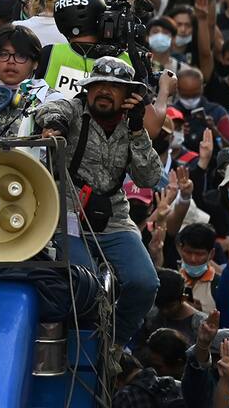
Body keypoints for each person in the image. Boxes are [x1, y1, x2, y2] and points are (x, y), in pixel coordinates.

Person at [35, 56, 162, 347]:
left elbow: (149, 178)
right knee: (86, 284)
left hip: (113, 216)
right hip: (65, 212)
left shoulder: (132, 126)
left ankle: (112, 344)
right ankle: (81, 347)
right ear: (88, 89)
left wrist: (138, 131)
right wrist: (54, 125)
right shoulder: (73, 108)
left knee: (145, 283)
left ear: (128, 95)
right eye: (98, 85)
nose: (104, 91)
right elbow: (51, 107)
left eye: (114, 87)